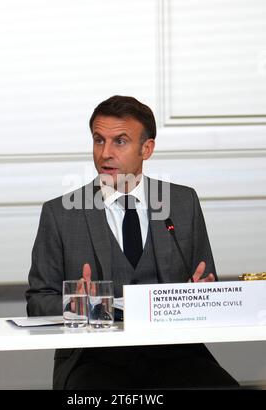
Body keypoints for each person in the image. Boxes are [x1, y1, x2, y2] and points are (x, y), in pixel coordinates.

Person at [26, 95, 238, 389]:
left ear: (146, 149)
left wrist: (201, 296)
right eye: (99, 140)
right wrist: (80, 305)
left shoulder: (182, 202)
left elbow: (207, 286)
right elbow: (37, 302)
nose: (105, 153)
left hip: (176, 353)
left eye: (120, 142)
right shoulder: (60, 213)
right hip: (93, 358)